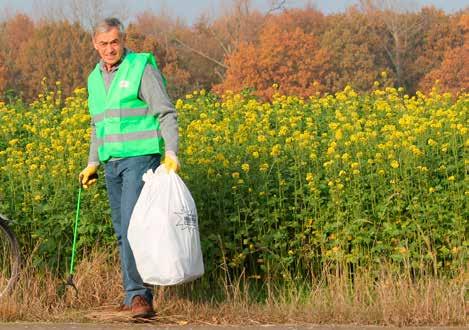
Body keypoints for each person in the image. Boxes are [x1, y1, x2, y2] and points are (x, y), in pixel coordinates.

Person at [78, 17, 179, 318]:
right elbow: (99, 125)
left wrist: (171, 152)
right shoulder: (95, 78)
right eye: (104, 44)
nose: (110, 49)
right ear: (95, 45)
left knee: (135, 228)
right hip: (112, 163)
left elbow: (166, 112)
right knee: (122, 231)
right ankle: (131, 293)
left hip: (140, 159)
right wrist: (92, 162)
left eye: (115, 42)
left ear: (122, 40)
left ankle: (140, 298)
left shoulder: (140, 68)